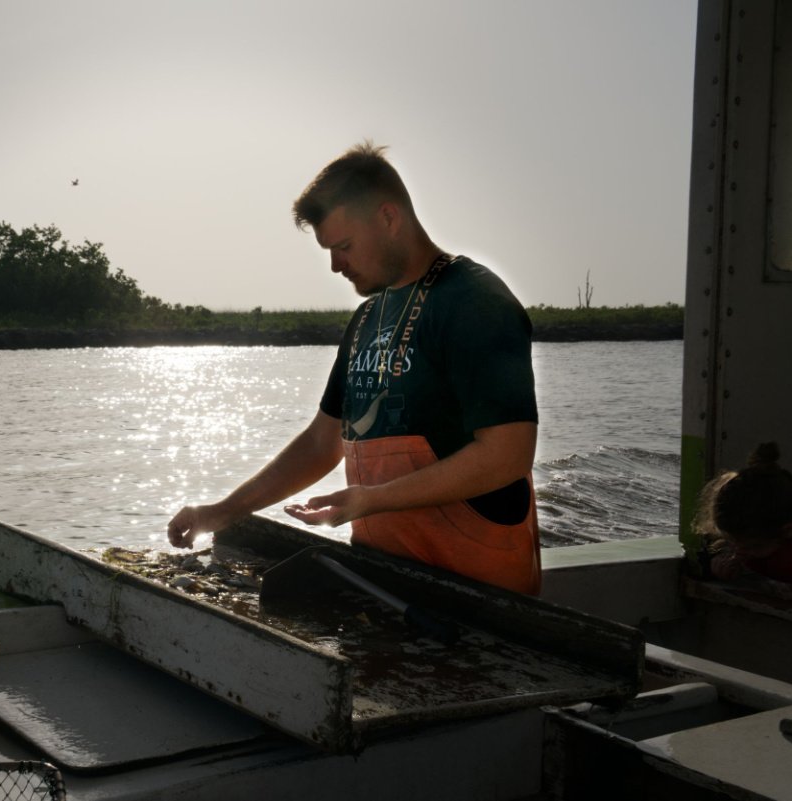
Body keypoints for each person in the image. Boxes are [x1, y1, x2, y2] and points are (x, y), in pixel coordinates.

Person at [167, 142, 542, 595]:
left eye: (343, 246)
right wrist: (220, 512)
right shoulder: (366, 319)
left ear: (389, 217)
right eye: (328, 250)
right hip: (387, 585)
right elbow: (322, 444)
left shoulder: (474, 302)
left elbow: (508, 454)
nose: (334, 265)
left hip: (483, 599)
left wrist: (371, 500)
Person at [695, 442, 792, 583]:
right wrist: (718, 560)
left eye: (754, 546)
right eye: (732, 542)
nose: (739, 552)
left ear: (788, 531)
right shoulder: (750, 540)